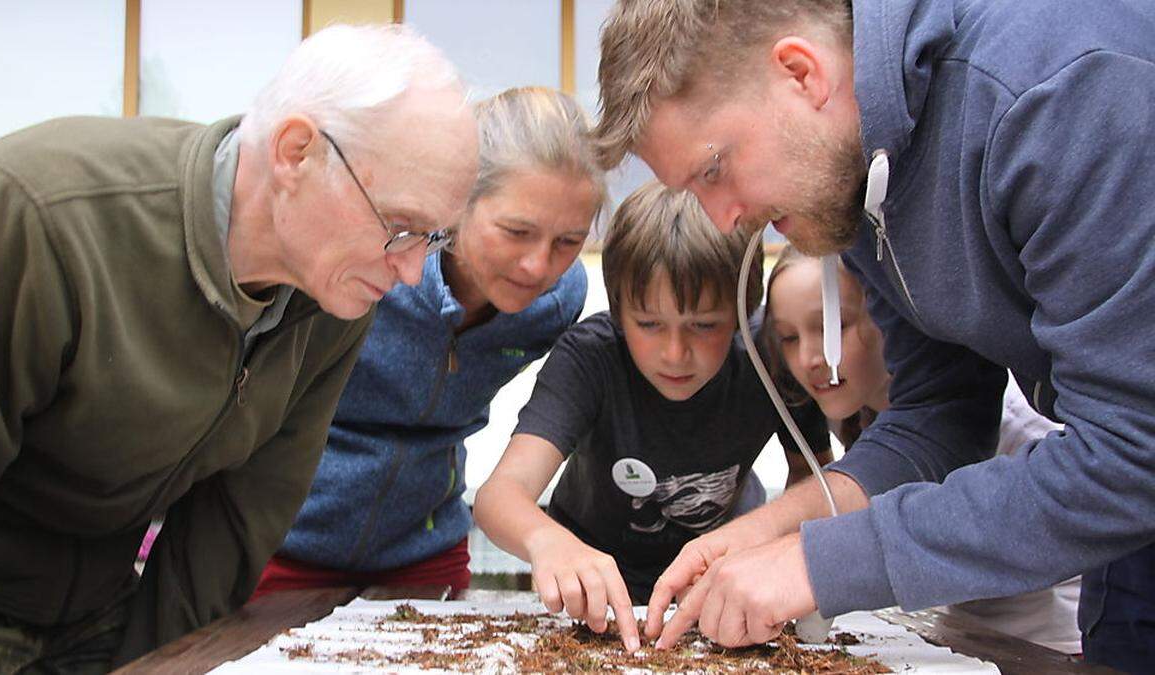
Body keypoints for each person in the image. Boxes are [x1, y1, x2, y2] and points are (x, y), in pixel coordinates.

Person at [594, 0, 1155, 669]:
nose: (724, 223)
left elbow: (1132, 448)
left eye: (714, 170)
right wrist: (774, 527)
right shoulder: (852, 179)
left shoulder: (1057, 91)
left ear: (801, 74)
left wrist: (821, 560)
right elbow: (939, 416)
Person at [0, 24, 477, 672]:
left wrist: (159, 663)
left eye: (432, 239)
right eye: (401, 227)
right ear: (296, 153)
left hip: (105, 616)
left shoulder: (338, 296)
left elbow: (236, 521)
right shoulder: (34, 217)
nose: (409, 273)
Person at [251, 86, 606, 602]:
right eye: (516, 231)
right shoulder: (370, 268)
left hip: (424, 555)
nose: (538, 266)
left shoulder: (558, 300)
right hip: (283, 545)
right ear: (457, 203)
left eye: (568, 242)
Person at [474, 181, 831, 652]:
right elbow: (498, 496)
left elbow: (819, 480)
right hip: (597, 593)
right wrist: (548, 543)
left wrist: (769, 551)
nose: (676, 353)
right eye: (649, 324)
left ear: (745, 311)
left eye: (704, 325)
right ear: (619, 311)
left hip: (720, 584)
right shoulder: (590, 359)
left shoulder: (771, 355)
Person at [762, 246, 1081, 654]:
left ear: (890, 315)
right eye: (788, 337)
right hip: (958, 637)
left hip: (1048, 650)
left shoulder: (1014, 426)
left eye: (833, 328)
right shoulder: (858, 412)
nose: (809, 358)